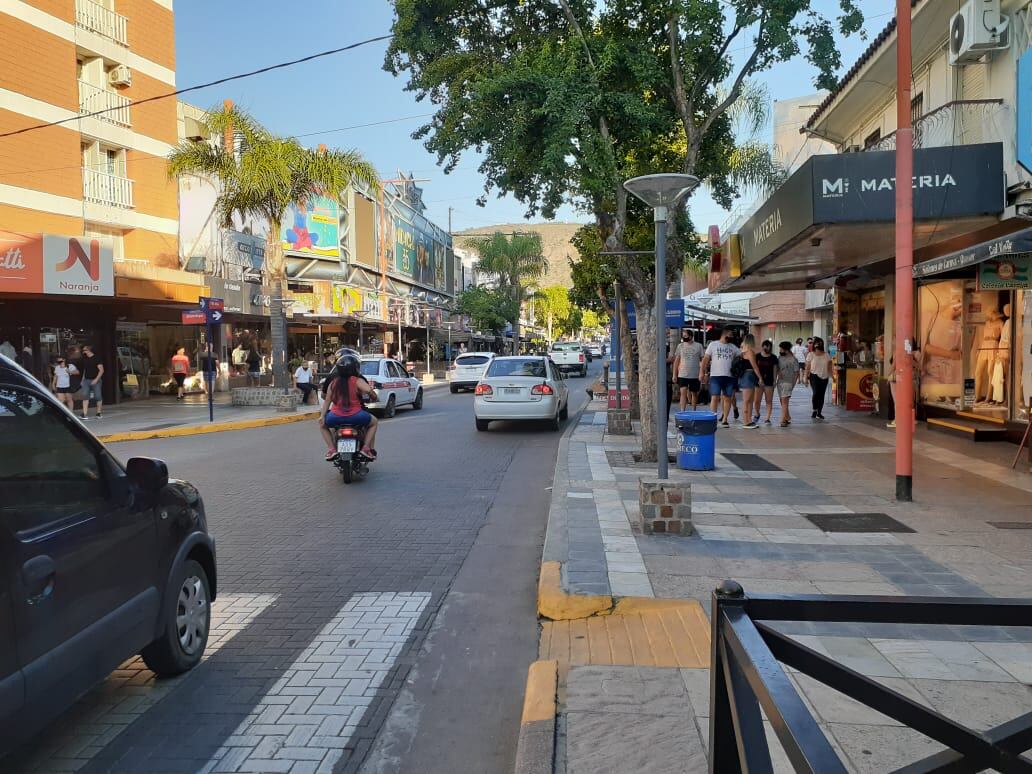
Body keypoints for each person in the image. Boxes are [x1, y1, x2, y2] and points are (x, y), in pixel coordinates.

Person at [318, 354, 379, 461]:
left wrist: (322, 416)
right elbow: (369, 391)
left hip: (335, 416)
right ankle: (365, 448)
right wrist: (374, 397)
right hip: (357, 416)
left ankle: (332, 449)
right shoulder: (357, 380)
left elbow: (327, 400)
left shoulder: (333, 382)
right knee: (374, 423)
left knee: (322, 426)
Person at [700, 328, 740, 428]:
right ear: (724, 334)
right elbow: (705, 359)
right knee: (715, 397)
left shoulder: (733, 347)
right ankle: (712, 419)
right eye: (730, 335)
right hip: (715, 375)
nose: (731, 337)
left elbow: (742, 355)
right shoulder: (713, 345)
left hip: (729, 376)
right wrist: (702, 372)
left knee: (727, 398)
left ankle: (725, 419)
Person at [737, 334, 764, 429]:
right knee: (747, 400)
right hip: (749, 375)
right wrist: (760, 377)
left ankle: (748, 420)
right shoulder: (749, 352)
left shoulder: (743, 351)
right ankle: (746, 421)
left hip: (746, 376)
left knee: (749, 400)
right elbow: (755, 366)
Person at [673, 330, 704, 411]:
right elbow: (676, 361)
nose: (684, 337)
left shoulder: (698, 346)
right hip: (682, 373)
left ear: (690, 336)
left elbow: (702, 360)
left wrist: (703, 372)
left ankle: (694, 410)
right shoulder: (680, 346)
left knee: (694, 393)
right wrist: (674, 374)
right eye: (683, 336)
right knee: (683, 391)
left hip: (695, 374)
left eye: (685, 336)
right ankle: (682, 410)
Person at [805, 337, 833, 420]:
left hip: (824, 377)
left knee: (821, 395)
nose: (817, 345)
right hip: (814, 376)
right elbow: (807, 367)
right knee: (816, 393)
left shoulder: (827, 355)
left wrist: (832, 376)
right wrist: (806, 378)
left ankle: (819, 412)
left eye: (819, 343)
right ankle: (814, 410)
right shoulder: (811, 354)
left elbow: (829, 367)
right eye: (816, 343)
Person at [775, 341, 799, 427]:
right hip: (780, 382)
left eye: (781, 349)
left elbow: (796, 373)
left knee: (785, 402)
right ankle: (787, 417)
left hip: (788, 382)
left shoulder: (793, 360)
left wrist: (793, 384)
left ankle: (783, 420)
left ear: (787, 350)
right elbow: (776, 368)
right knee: (782, 401)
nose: (780, 350)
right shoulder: (780, 358)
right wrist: (778, 373)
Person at [755, 340, 778, 425]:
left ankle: (767, 418)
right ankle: (757, 414)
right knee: (757, 400)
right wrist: (757, 378)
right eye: (766, 346)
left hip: (769, 381)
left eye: (769, 346)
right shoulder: (757, 356)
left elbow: (775, 369)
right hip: (758, 381)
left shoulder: (773, 357)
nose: (767, 348)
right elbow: (755, 368)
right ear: (763, 346)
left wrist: (775, 380)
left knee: (769, 400)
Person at [79, 344, 104, 420]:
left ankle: (98, 413)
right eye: (83, 350)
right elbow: (85, 370)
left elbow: (101, 370)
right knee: (85, 396)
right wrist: (82, 380)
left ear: (89, 350)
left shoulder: (97, 358)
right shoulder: (85, 359)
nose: (83, 351)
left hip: (96, 380)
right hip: (86, 380)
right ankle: (84, 414)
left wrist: (96, 379)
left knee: (97, 396)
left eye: (84, 350)